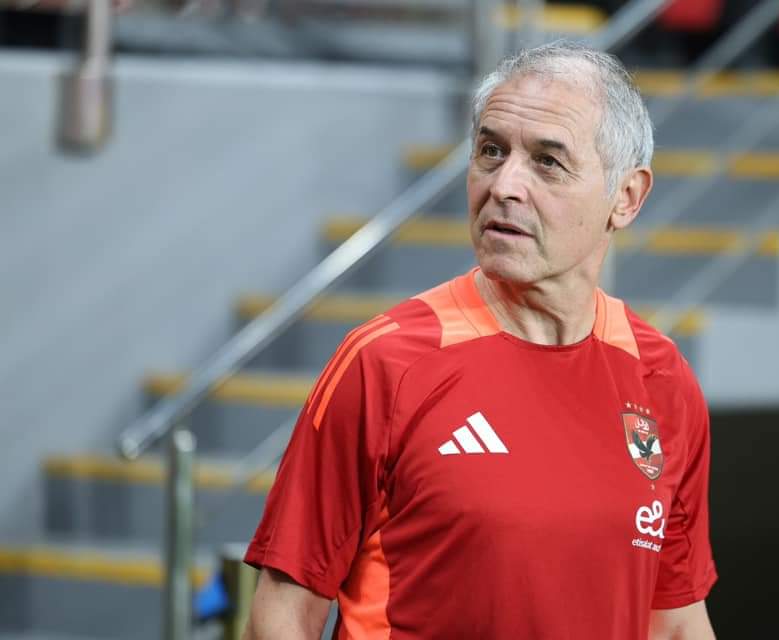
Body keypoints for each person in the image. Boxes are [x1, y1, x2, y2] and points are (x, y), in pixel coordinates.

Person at [243, 40, 717, 640]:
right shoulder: (385, 362)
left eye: (547, 161)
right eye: (491, 151)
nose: (504, 185)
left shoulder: (661, 378)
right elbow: (283, 615)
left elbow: (674, 620)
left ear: (625, 198)